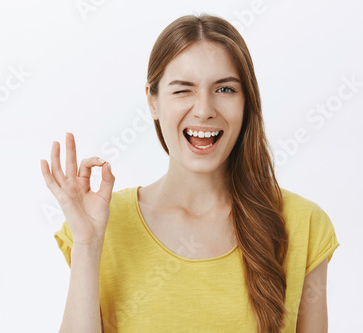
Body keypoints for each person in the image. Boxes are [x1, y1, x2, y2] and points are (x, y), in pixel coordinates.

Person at [41, 13, 340, 333]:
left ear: (247, 101)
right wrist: (87, 243)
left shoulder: (303, 224)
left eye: (224, 89)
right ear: (152, 101)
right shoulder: (102, 224)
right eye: (183, 90)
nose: (203, 109)